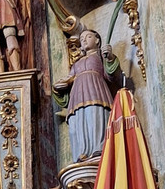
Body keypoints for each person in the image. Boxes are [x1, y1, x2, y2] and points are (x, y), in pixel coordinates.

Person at [52, 28, 121, 162]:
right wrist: (59, 87)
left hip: (95, 90)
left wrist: (110, 57)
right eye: (82, 39)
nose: (84, 40)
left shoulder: (100, 56)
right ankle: (82, 152)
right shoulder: (77, 63)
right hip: (77, 94)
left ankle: (98, 148)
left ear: (97, 40)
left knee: (94, 116)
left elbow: (111, 75)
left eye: (88, 37)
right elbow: (69, 78)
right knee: (78, 120)